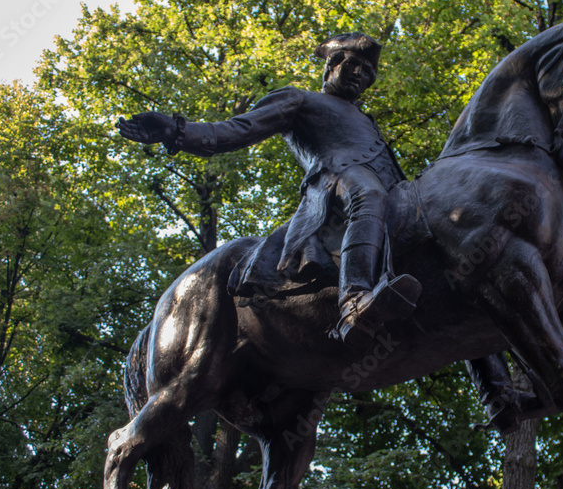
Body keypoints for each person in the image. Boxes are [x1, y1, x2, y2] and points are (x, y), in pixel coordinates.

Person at [117, 32, 420, 347]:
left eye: (369, 72)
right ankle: (353, 302)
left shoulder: (366, 120)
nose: (361, 75)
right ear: (331, 64)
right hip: (337, 181)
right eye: (354, 64)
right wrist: (177, 130)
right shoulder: (298, 98)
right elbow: (238, 129)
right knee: (367, 194)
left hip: (389, 188)